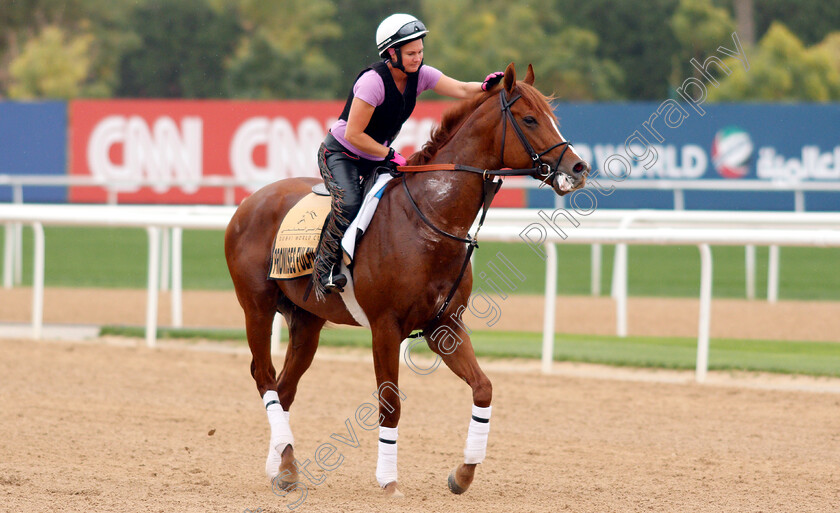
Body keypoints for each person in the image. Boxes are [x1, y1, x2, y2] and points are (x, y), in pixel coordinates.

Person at [312, 13, 504, 298]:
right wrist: (390, 153)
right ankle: (323, 268)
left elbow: (463, 89)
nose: (418, 58)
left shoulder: (421, 75)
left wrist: (485, 87)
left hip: (375, 156)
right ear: (392, 53)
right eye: (411, 53)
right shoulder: (372, 83)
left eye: (421, 51)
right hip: (341, 154)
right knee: (350, 202)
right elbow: (353, 135)